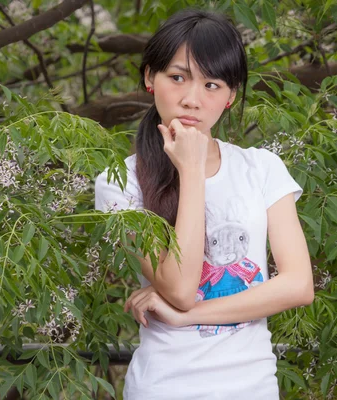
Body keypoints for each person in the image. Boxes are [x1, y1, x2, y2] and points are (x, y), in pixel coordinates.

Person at [94, 9, 314, 400]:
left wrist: (187, 315)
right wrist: (191, 171)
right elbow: (179, 288)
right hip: (163, 387)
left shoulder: (261, 168)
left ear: (231, 96)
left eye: (212, 84)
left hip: (251, 387)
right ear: (149, 78)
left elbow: (297, 286)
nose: (192, 99)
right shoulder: (120, 184)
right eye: (177, 77)